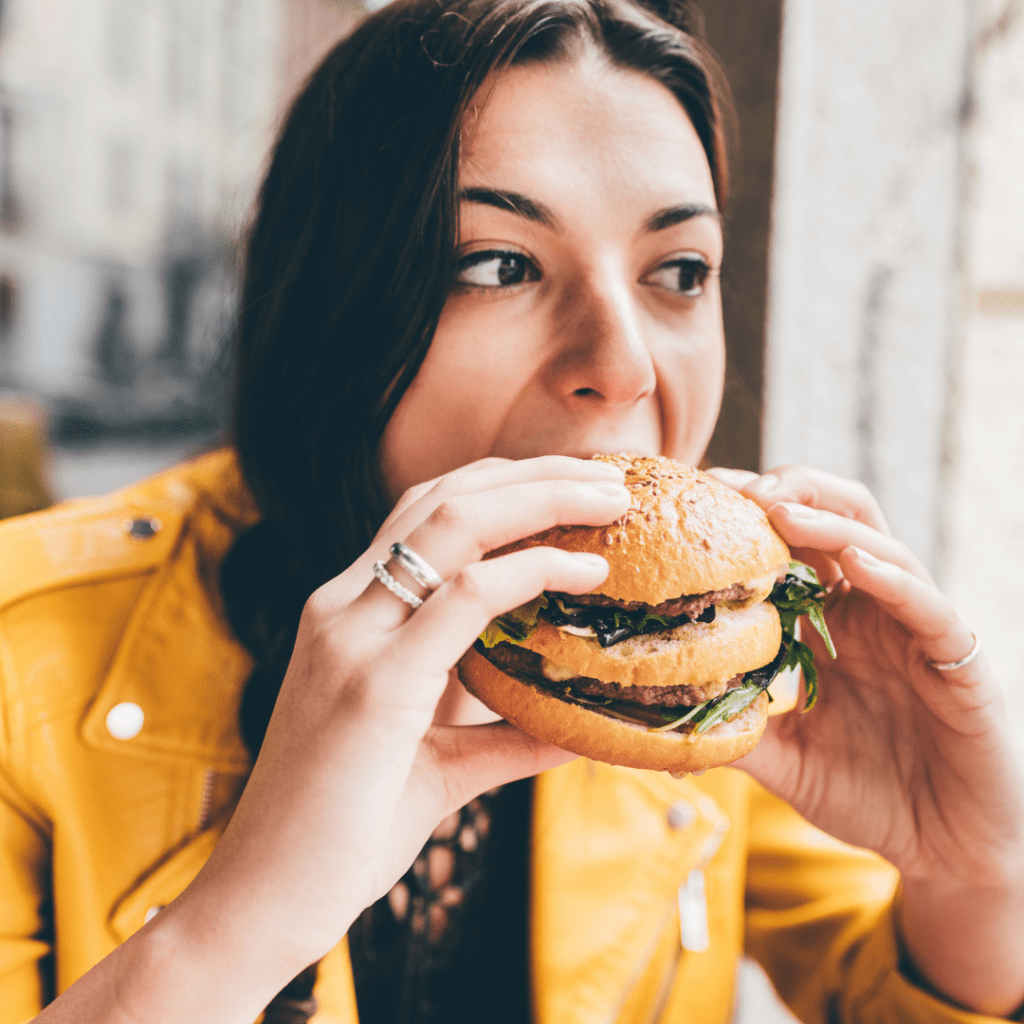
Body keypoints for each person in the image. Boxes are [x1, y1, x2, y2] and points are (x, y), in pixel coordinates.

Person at [1, 1, 1021, 1021]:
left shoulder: (708, 671)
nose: (621, 368)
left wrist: (971, 877)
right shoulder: (21, 653)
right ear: (333, 306)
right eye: (499, 264)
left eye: (678, 272)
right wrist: (247, 919)